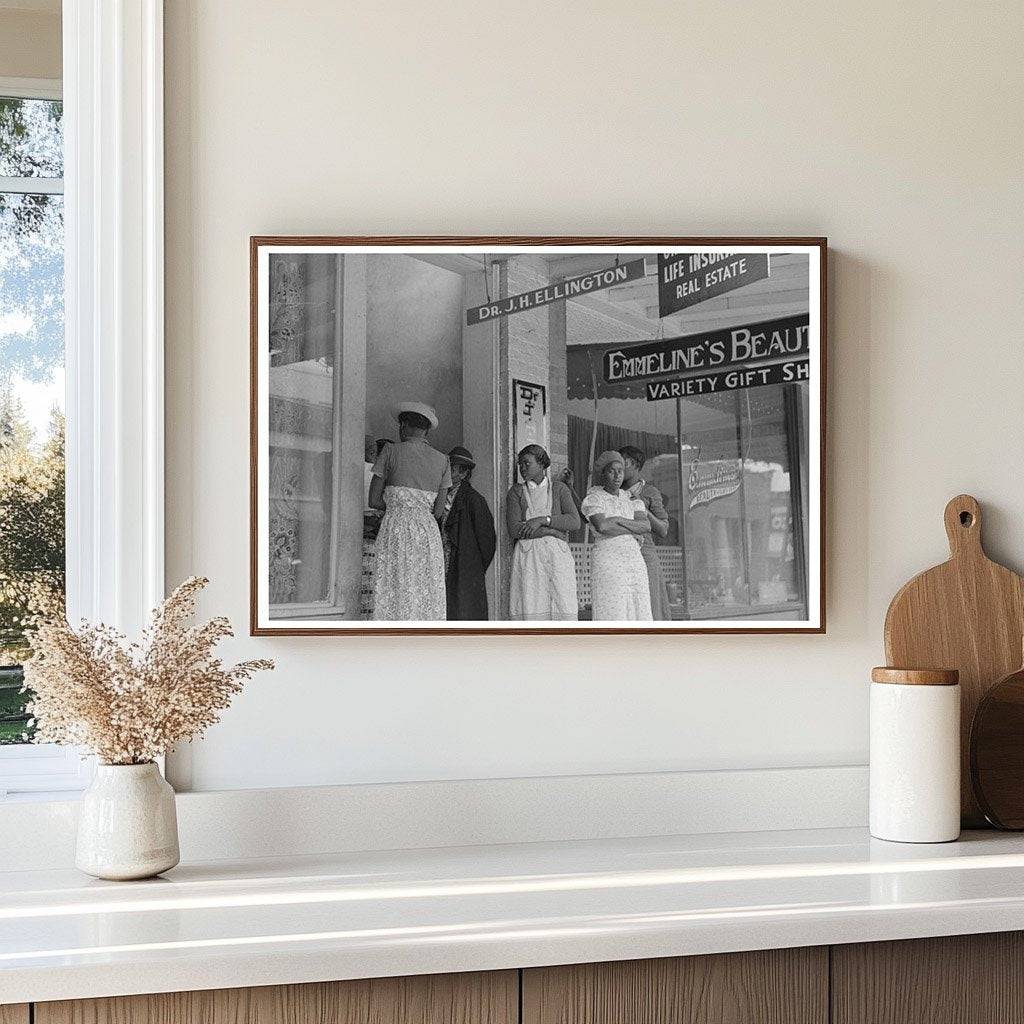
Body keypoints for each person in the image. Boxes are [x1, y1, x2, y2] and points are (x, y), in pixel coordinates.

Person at [368, 402, 450, 620]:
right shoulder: (443, 461)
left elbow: (374, 500)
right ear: (426, 430)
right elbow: (439, 510)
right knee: (424, 590)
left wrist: (398, 504)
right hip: (427, 534)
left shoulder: (390, 451)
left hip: (396, 530)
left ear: (403, 425)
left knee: (394, 586)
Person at [506, 444, 580, 621]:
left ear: (541, 464)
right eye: (520, 464)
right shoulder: (516, 492)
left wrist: (541, 520)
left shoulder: (559, 489)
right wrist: (553, 532)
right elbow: (514, 529)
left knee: (562, 604)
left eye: (527, 463)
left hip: (557, 556)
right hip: (529, 556)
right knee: (532, 605)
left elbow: (574, 521)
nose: (522, 468)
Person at [580, 450, 653, 621]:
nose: (617, 475)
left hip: (634, 561)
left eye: (620, 471)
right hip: (609, 560)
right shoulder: (595, 499)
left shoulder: (633, 500)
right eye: (611, 471)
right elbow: (603, 526)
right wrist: (632, 528)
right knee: (613, 607)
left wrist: (618, 519)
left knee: (638, 605)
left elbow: (645, 526)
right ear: (603, 474)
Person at [442, 446, 497, 620]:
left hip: (464, 566)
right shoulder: (440, 494)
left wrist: (472, 566)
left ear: (464, 473)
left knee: (462, 611)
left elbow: (487, 541)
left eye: (452, 468)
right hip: (442, 561)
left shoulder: (474, 500)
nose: (446, 472)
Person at [619, 445, 671, 620]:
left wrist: (642, 508)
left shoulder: (649, 492)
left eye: (622, 462)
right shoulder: (613, 491)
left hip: (644, 555)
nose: (618, 467)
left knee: (650, 605)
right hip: (620, 555)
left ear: (634, 464)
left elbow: (663, 529)